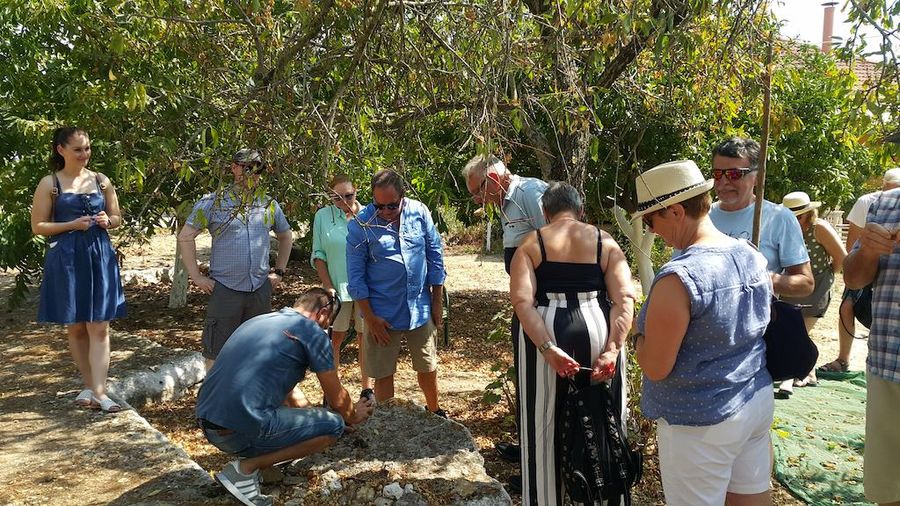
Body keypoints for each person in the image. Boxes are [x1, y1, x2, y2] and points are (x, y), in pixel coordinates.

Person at [633, 160, 774, 506]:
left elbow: (655, 366)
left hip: (699, 417)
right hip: (754, 398)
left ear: (677, 212)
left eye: (652, 219)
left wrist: (636, 340)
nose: (652, 230)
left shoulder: (679, 279)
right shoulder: (749, 255)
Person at [509, 182, 636, 504]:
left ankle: (545, 496)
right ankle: (610, 494)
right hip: (598, 325)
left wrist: (548, 348)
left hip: (547, 330)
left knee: (543, 421)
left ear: (545, 213)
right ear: (581, 211)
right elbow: (624, 298)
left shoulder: (531, 243)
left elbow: (523, 303)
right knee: (605, 418)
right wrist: (612, 349)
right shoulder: (604, 242)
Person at [196, 287, 375, 506]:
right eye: (327, 324)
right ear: (324, 314)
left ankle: (257, 462)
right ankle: (244, 470)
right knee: (335, 425)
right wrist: (354, 414)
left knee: (325, 422)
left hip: (209, 426)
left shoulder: (262, 320)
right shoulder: (311, 331)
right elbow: (337, 399)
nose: (325, 329)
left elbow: (289, 392)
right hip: (238, 432)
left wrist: (314, 422)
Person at [31, 127, 126, 413]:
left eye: (87, 148)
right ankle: (90, 386)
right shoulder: (50, 183)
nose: (85, 154)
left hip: (99, 255)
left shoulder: (101, 180)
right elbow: (38, 226)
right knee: (76, 326)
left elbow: (117, 216)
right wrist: (72, 224)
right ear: (61, 150)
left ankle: (99, 392)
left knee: (99, 325)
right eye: (78, 149)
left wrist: (108, 221)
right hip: (67, 259)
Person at [462, 154, 548, 469]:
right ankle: (528, 446)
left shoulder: (530, 193)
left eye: (477, 189)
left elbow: (554, 242)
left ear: (494, 178)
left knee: (540, 378)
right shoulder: (504, 201)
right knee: (526, 373)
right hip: (525, 300)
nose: (476, 197)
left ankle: (541, 456)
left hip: (543, 303)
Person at [177, 149, 293, 370]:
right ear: (234, 168)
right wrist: (196, 277)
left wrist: (278, 272)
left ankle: (249, 401)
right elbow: (185, 236)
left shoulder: (268, 204)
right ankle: (214, 402)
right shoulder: (212, 202)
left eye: (257, 168)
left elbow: (286, 236)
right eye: (246, 167)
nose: (252, 173)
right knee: (217, 354)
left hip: (259, 289)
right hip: (225, 289)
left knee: (257, 352)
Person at [346, 169, 447, 415]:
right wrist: (369, 317)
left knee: (427, 365)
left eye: (391, 206)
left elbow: (435, 257)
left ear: (403, 196)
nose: (385, 212)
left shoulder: (420, 212)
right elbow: (356, 277)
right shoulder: (361, 223)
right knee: (382, 372)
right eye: (379, 205)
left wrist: (436, 303)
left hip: (420, 308)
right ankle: (387, 420)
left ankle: (435, 412)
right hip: (381, 312)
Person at [842, 187, 900, 506]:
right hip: (889, 367)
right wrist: (867, 252)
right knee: (889, 489)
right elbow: (853, 279)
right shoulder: (885, 205)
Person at [708, 137, 814, 299]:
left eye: (734, 174)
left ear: (758, 177)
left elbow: (805, 284)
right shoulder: (702, 217)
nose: (723, 182)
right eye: (717, 174)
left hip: (757, 321)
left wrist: (760, 278)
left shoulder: (779, 218)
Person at [820, 167, 900, 373]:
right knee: (846, 305)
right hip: (885, 361)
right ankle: (843, 357)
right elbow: (851, 253)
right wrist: (869, 250)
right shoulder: (876, 203)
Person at [775, 191, 847, 394]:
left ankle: (787, 378)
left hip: (818, 284)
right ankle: (809, 372)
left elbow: (841, 257)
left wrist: (826, 275)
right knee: (791, 331)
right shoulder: (782, 228)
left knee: (800, 332)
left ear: (808, 214)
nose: (794, 220)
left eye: (798, 216)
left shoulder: (820, 228)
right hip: (791, 283)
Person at [311, 173, 373, 396]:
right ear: (330, 197)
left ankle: (367, 389)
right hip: (338, 287)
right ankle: (333, 391)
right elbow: (319, 254)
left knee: (364, 337)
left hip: (366, 288)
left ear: (357, 191)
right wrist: (328, 285)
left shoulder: (369, 214)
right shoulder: (323, 217)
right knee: (335, 338)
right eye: (337, 198)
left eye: (349, 195)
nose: (344, 202)